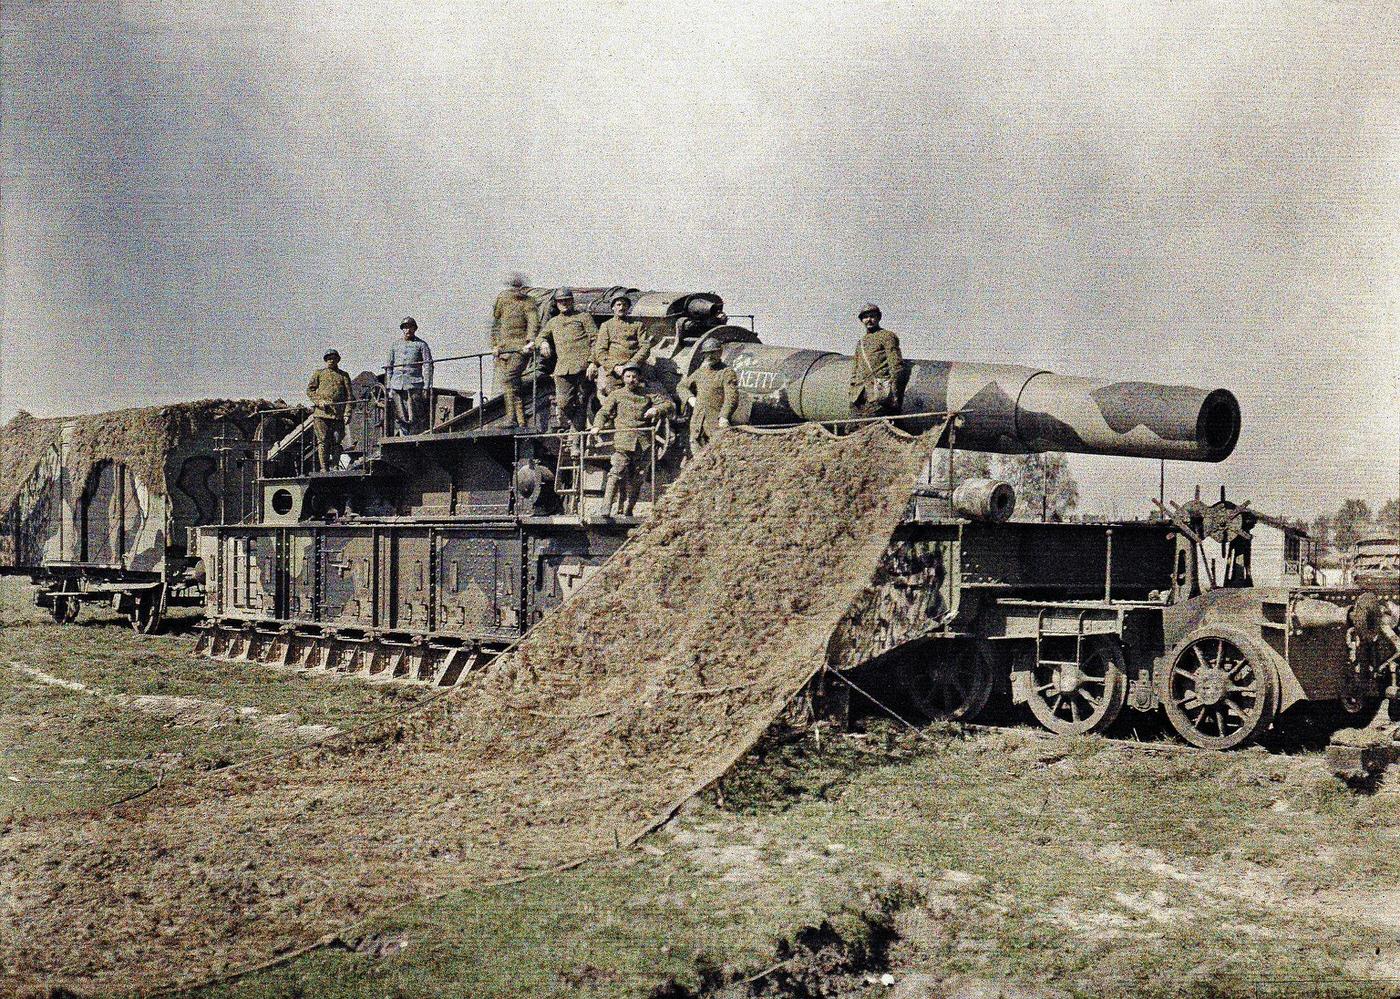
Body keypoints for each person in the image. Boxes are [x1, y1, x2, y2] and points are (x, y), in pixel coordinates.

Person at [591, 362, 673, 517]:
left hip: (644, 444)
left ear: (639, 377)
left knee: (638, 479)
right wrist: (597, 426)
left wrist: (656, 409)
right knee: (616, 472)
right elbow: (603, 412)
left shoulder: (648, 394)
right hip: (623, 442)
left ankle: (629, 510)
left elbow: (669, 405)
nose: (631, 380)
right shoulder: (617, 394)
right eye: (628, 376)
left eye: (634, 376)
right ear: (623, 378)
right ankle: (605, 509)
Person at [536, 287, 598, 436]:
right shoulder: (553, 322)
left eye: (567, 300)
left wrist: (593, 363)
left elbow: (596, 340)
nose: (564, 303)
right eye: (560, 301)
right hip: (563, 369)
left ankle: (575, 440)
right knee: (564, 404)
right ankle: (576, 428)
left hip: (583, 367)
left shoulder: (584, 317)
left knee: (582, 402)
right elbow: (540, 337)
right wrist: (543, 343)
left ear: (572, 301)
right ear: (557, 303)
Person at [491, 273, 540, 429]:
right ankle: (520, 421)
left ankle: (511, 419)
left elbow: (533, 324)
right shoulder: (502, 299)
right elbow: (496, 324)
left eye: (517, 287)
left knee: (509, 379)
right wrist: (495, 345)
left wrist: (530, 342)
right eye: (512, 287)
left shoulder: (529, 303)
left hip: (520, 349)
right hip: (504, 349)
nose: (514, 290)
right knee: (513, 386)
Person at [679, 337, 738, 455]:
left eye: (713, 353)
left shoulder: (726, 373)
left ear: (720, 353)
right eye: (707, 354)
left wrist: (724, 417)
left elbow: (732, 398)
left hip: (716, 425)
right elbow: (681, 386)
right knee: (697, 461)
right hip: (697, 426)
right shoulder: (700, 372)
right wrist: (691, 399)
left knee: (717, 461)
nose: (710, 356)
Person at [591, 293, 652, 400]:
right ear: (613, 308)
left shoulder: (638, 325)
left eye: (624, 305)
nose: (621, 307)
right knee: (614, 401)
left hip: (635, 371)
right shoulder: (606, 326)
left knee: (639, 400)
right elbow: (600, 351)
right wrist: (615, 367)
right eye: (618, 305)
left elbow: (645, 347)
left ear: (628, 307)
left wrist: (632, 365)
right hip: (615, 373)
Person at [848, 302, 903, 420]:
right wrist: (853, 389)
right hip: (859, 395)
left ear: (878, 318)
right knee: (853, 428)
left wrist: (893, 392)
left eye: (872, 316)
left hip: (878, 393)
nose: (869, 320)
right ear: (862, 320)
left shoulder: (887, 336)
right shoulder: (861, 342)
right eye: (865, 317)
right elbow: (856, 368)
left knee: (873, 428)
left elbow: (896, 365)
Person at [385, 317, 434, 434]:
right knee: (400, 415)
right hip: (397, 385)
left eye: (410, 327)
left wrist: (426, 386)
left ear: (415, 329)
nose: (408, 330)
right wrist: (389, 387)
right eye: (405, 328)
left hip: (414, 384)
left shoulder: (421, 345)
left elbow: (428, 366)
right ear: (402, 330)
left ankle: (414, 438)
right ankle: (404, 437)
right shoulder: (395, 345)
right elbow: (389, 367)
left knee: (414, 414)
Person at [306, 349, 352, 471]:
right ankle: (324, 468)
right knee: (323, 442)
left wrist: (347, 413)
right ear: (325, 360)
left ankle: (336, 465)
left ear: (338, 360)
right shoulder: (319, 373)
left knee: (337, 440)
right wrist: (318, 402)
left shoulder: (343, 375)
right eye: (328, 358)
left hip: (338, 415)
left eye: (333, 358)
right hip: (321, 414)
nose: (331, 360)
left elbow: (349, 396)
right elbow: (310, 390)